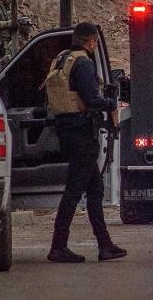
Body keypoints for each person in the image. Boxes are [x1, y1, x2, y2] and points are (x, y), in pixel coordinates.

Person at [45, 22, 125, 263]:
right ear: (91, 42)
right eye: (95, 43)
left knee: (95, 189)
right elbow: (92, 99)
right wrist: (112, 105)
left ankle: (104, 244)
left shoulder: (61, 59)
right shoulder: (83, 63)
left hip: (67, 131)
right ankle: (58, 246)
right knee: (73, 191)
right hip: (80, 134)